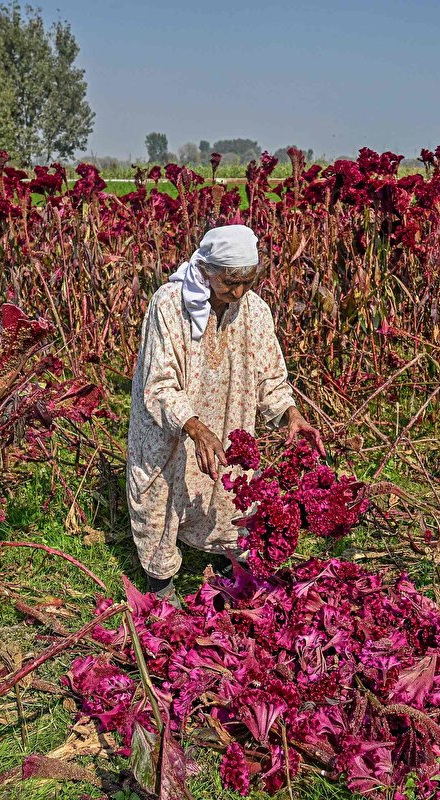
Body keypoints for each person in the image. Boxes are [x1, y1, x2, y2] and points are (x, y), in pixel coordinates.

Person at [126, 224, 324, 598]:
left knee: (227, 493)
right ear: (206, 268)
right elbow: (160, 382)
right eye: (229, 282)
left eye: (247, 282)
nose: (237, 292)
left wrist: (290, 415)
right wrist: (195, 429)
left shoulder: (255, 310)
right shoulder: (169, 304)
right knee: (161, 496)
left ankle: (227, 565)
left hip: (226, 421)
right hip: (171, 426)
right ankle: (161, 586)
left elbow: (269, 377)